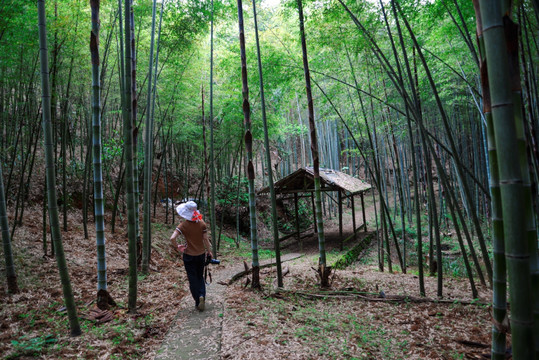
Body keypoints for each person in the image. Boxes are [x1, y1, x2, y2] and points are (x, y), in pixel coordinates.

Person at [170, 201, 213, 311]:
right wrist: (209, 251)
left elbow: (172, 238)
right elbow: (206, 240)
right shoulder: (202, 224)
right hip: (200, 255)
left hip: (188, 255)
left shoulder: (183, 225)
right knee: (200, 277)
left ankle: (197, 301)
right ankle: (202, 295)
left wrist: (177, 247)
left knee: (192, 278)